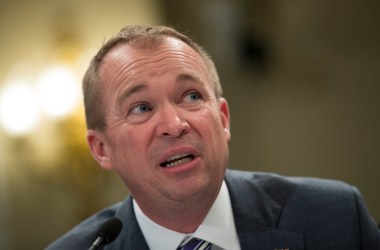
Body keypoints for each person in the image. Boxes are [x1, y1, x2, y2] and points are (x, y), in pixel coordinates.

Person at [47, 25, 380, 250]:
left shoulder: (335, 218)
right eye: (141, 107)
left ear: (222, 119)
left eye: (191, 96)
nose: (175, 124)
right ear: (102, 149)